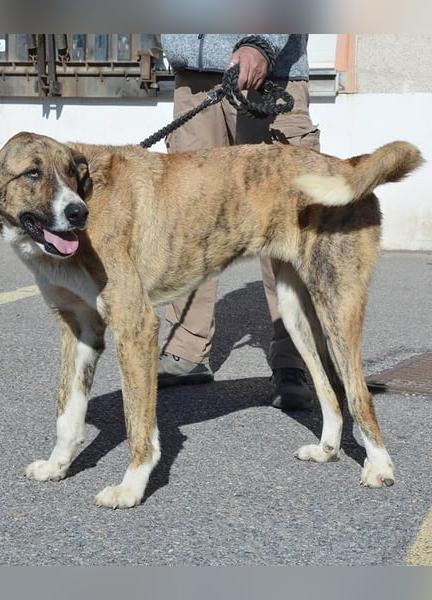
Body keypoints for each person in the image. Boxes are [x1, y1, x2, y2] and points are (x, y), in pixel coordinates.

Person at [157, 34, 320, 410]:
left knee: (283, 224)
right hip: (194, 81)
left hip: (268, 75)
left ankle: (294, 358)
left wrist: (262, 44)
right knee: (189, 222)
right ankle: (186, 349)